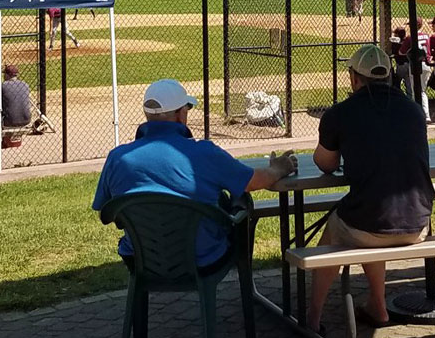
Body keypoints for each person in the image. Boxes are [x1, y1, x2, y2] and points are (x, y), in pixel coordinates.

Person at [92, 79, 298, 272]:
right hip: (202, 260)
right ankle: (245, 287)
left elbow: (106, 211)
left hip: (140, 260)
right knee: (239, 201)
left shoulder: (117, 158)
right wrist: (280, 168)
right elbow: (252, 182)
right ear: (180, 115)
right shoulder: (204, 153)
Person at [306, 45, 434, 333]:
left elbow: (325, 163)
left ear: (354, 78)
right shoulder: (413, 110)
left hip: (371, 224)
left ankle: (312, 317)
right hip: (419, 223)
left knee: (341, 228)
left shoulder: (340, 113)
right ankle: (377, 305)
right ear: (388, 76)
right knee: (372, 215)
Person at [395, 17, 431, 118]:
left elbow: (401, 52)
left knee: (417, 91)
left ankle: (422, 114)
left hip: (415, 65)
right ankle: (425, 114)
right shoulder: (427, 36)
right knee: (422, 90)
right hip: (426, 64)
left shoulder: (410, 38)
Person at [0, 64, 34, 134]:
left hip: (9, 122)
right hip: (26, 121)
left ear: (7, 75)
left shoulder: (2, 86)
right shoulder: (25, 84)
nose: (3, 76)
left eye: (4, 74)